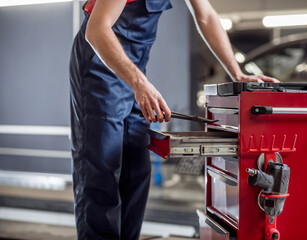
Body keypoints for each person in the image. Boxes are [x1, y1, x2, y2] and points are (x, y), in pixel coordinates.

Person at [69, 0, 279, 239]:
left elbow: (206, 16)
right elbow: (96, 30)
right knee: (101, 171)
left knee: (136, 172)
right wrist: (139, 84)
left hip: (134, 70)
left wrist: (238, 73)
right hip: (99, 66)